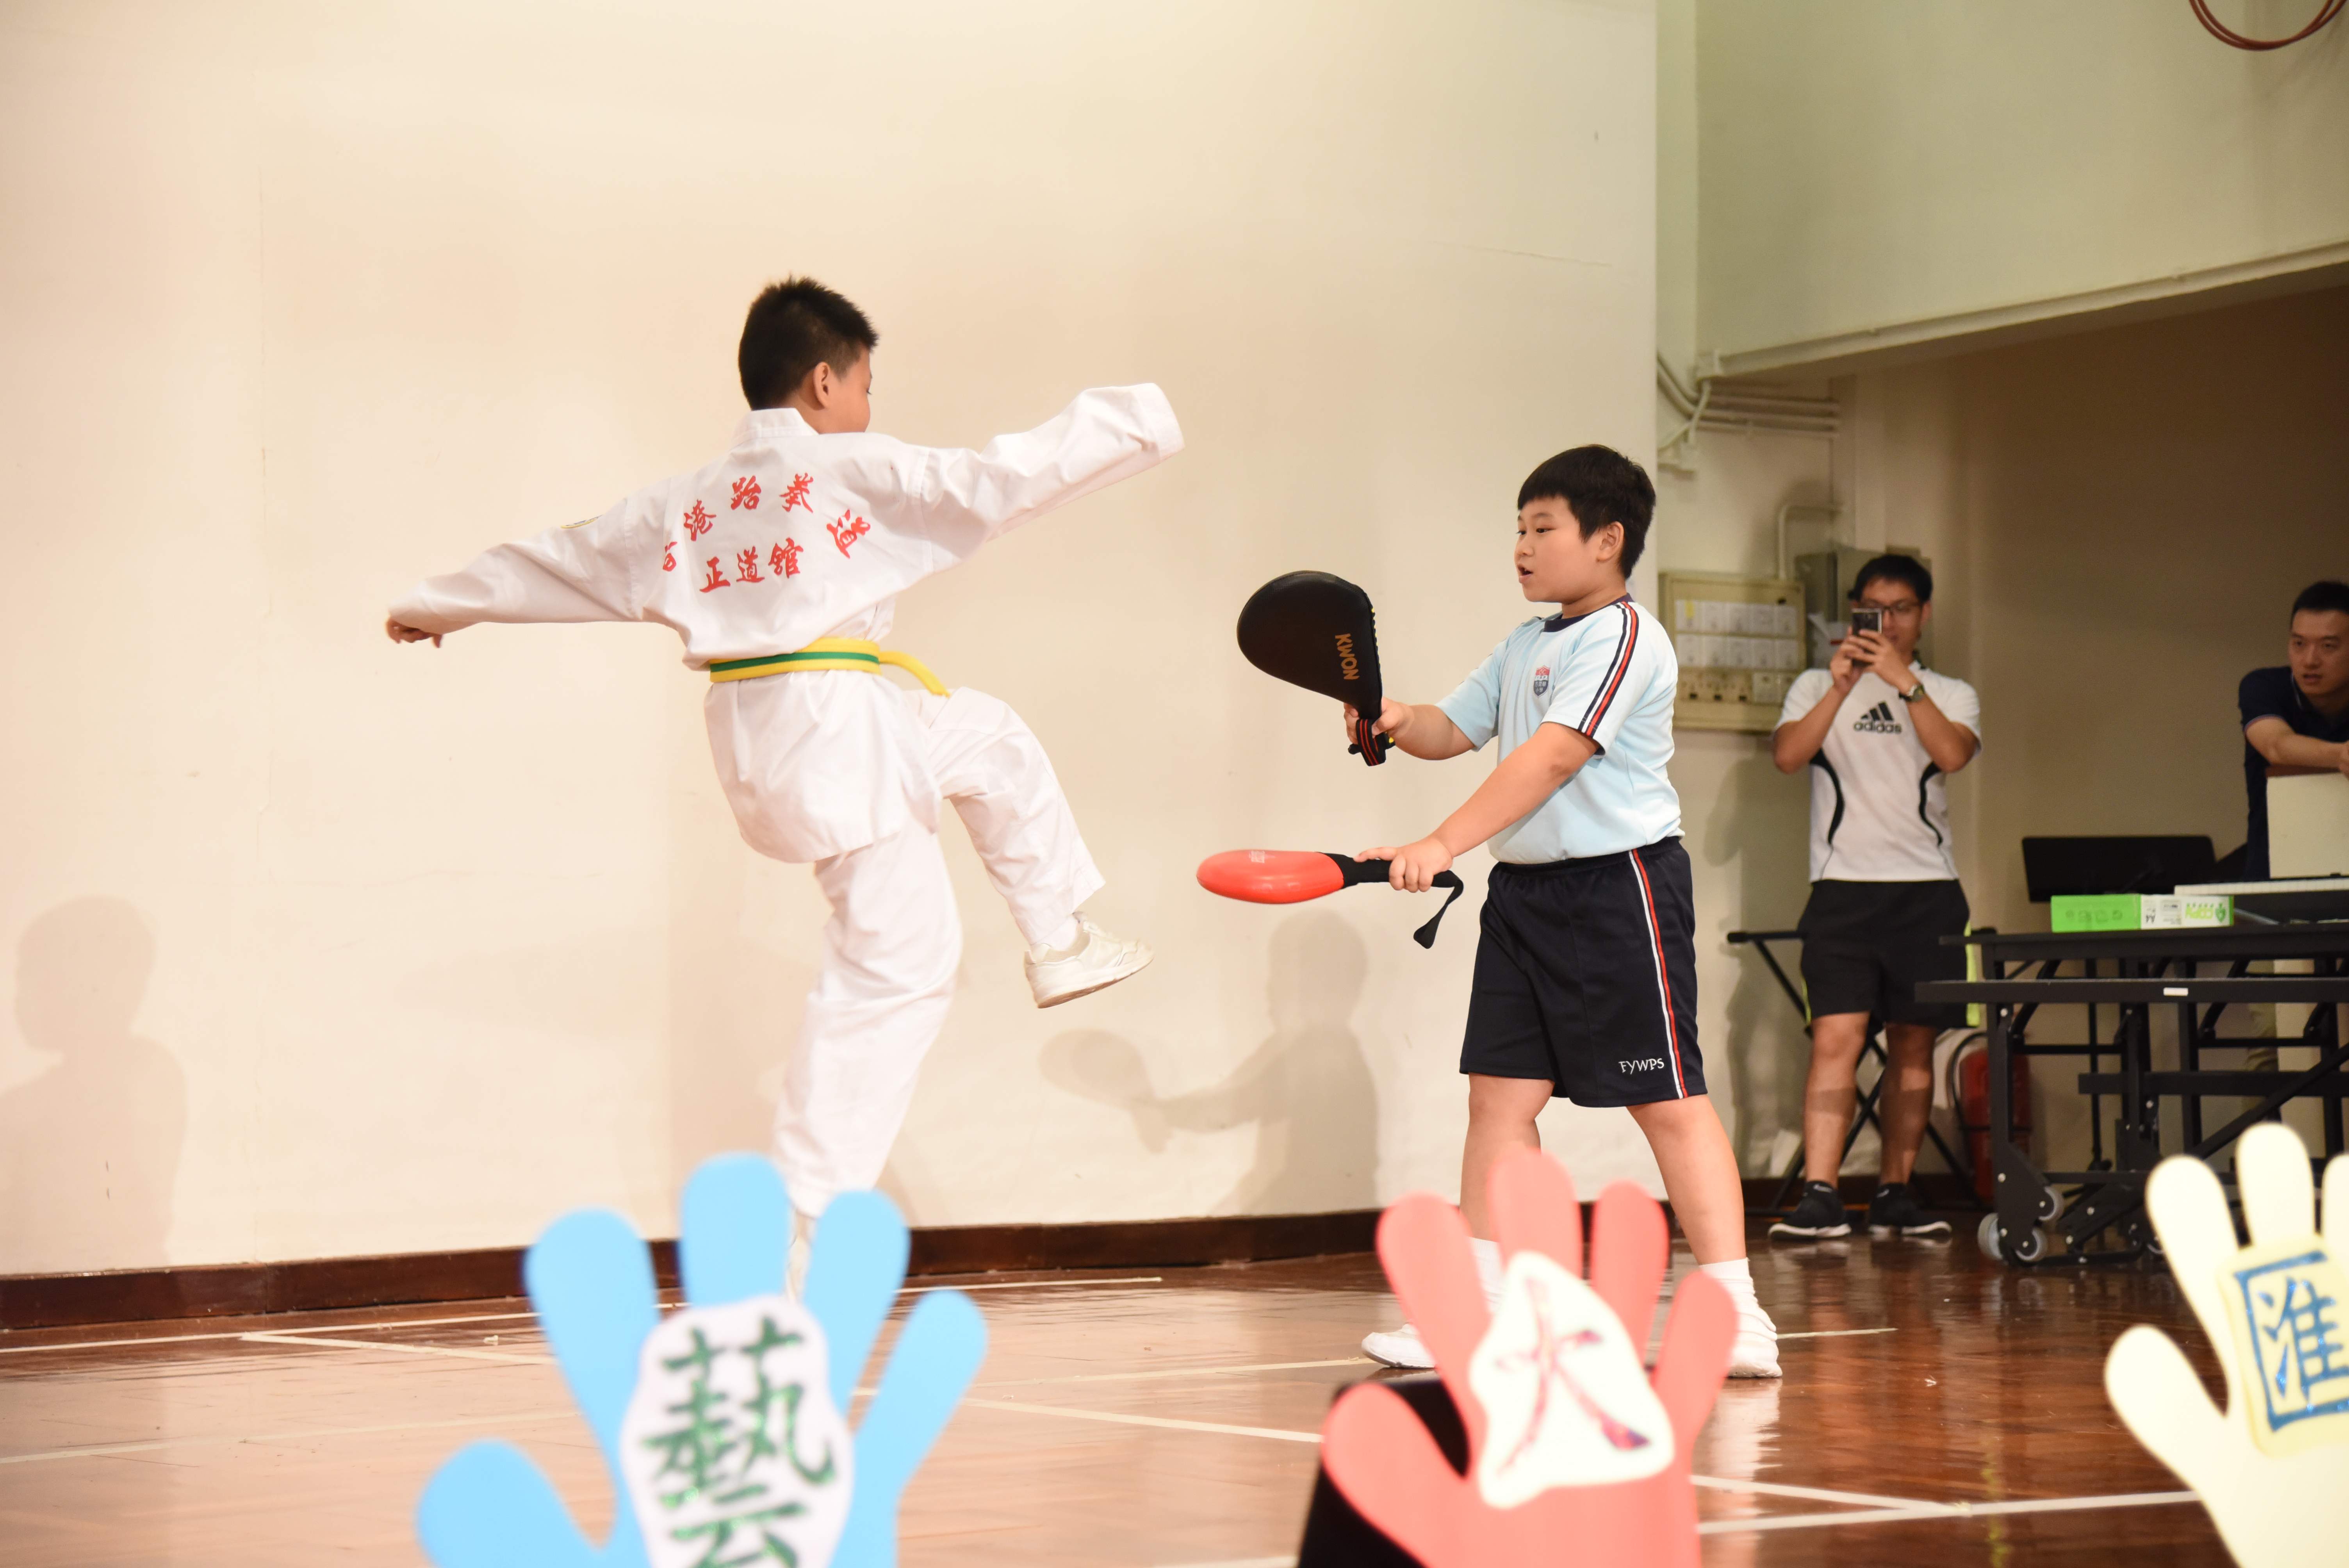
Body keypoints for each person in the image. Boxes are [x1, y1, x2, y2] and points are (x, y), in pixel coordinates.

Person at [385, 277, 1179, 1222]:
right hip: (837, 732)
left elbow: (567, 557)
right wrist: (1135, 420)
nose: (868, 406)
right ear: (823, 382)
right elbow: (992, 483)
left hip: (775, 734)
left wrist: (438, 604)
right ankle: (802, 1219)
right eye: (865, 385)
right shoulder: (847, 470)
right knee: (898, 966)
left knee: (985, 735)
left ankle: (1058, 938)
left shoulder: (685, 502)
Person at [1347, 445, 1780, 1379]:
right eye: (1518, 528)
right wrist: (1395, 717)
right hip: (1525, 900)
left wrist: (1441, 842)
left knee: (1665, 1100)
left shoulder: (1624, 638)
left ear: (1606, 539)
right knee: (1497, 1100)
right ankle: (1478, 1312)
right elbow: (1453, 728)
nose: (1521, 546)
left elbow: (1549, 757)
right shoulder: (1524, 643)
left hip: (1617, 891)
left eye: (1541, 527)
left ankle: (1736, 1312)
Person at [1766, 554, 1979, 1243]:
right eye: (1873, 609)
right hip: (1841, 891)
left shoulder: (1949, 692)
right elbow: (1787, 757)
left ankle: (1895, 1191)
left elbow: (1953, 755)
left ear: (1923, 614)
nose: (1886, 623)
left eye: (1901, 610)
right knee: (1836, 1038)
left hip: (1927, 891)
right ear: (1854, 609)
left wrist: (1903, 683)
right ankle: (1821, 1194)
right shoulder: (1813, 685)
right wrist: (1842, 687)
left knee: (1914, 1044)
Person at [2239, 580, 2349, 880]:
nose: (2310, 660)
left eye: (2328, 646)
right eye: (2299, 644)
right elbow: (2276, 745)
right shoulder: (2265, 687)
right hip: (2273, 880)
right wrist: (2342, 755)